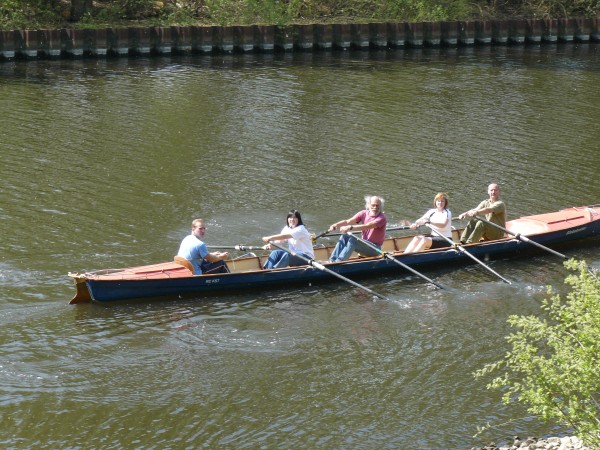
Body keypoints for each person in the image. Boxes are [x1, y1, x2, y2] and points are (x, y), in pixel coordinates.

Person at [328, 195, 387, 262]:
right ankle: (332, 260)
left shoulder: (382, 218)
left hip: (375, 249)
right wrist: (336, 225)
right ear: (368, 205)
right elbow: (348, 221)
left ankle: (339, 262)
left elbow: (367, 226)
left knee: (353, 240)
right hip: (365, 246)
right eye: (373, 205)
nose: (375, 208)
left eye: (377, 205)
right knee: (345, 236)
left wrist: (350, 227)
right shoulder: (363, 213)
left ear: (380, 206)